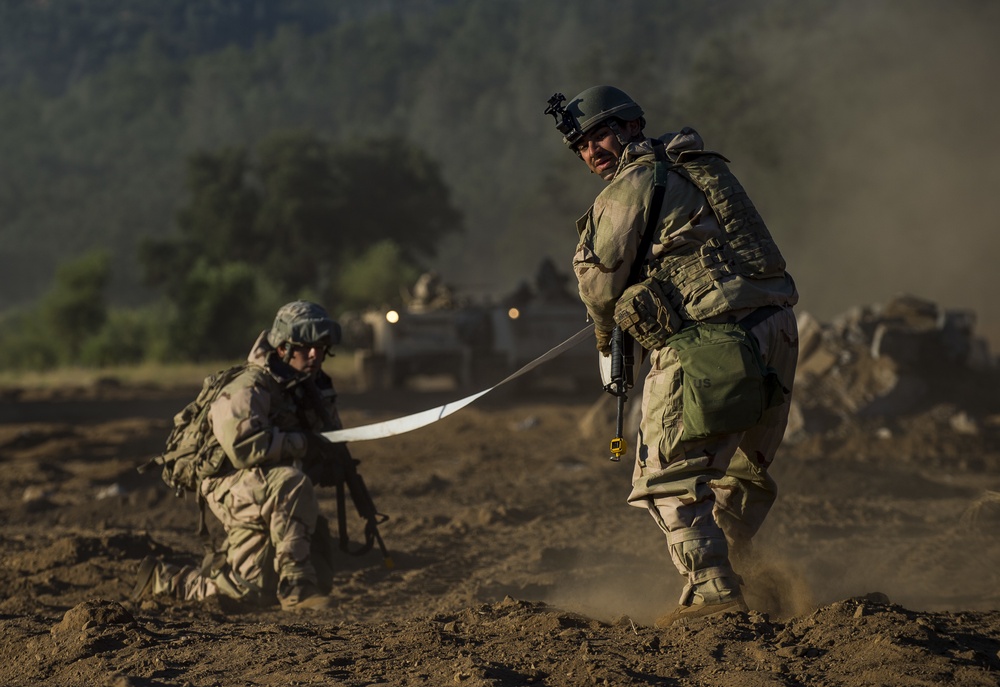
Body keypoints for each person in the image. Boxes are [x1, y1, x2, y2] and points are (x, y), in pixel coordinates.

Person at [545, 86, 799, 625]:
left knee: (664, 475)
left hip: (712, 341)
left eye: (600, 135)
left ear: (633, 126)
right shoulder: (695, 167)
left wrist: (605, 347)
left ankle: (713, 595)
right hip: (775, 327)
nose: (592, 152)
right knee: (744, 467)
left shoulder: (631, 185)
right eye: (582, 146)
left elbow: (597, 281)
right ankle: (741, 569)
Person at [132, 300, 350, 612]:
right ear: (284, 347)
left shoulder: (311, 387)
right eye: (306, 347)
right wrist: (306, 444)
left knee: (249, 592)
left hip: (265, 484)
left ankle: (165, 582)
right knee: (290, 483)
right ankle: (297, 586)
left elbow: (327, 437)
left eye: (321, 346)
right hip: (226, 481)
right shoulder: (249, 385)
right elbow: (246, 447)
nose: (315, 354)